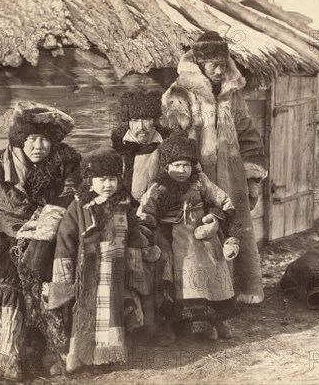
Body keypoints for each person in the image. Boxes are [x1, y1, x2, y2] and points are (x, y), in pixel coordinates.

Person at [0, 101, 82, 381]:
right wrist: (33, 226)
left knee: (52, 283)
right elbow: (5, 208)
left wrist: (50, 223)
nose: (38, 146)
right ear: (21, 141)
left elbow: (70, 196)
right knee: (6, 281)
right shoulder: (7, 167)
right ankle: (4, 353)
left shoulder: (67, 164)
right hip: (14, 239)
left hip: (56, 237)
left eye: (44, 140)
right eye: (31, 139)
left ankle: (55, 351)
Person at [161, 31, 268, 304]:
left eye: (224, 64)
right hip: (198, 178)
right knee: (202, 234)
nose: (220, 71)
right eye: (214, 65)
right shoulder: (179, 93)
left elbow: (249, 137)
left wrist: (253, 178)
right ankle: (203, 300)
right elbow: (175, 140)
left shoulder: (233, 95)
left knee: (235, 229)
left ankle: (239, 292)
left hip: (232, 179)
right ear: (199, 62)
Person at [47, 148, 150, 373]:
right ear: (89, 181)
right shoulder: (78, 207)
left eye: (112, 179)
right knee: (85, 312)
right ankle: (81, 356)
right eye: (102, 180)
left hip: (116, 269)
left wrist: (135, 269)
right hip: (88, 271)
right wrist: (64, 279)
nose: (108, 185)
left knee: (114, 311)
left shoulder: (124, 206)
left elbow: (133, 237)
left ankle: (109, 354)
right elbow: (66, 239)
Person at [137, 132, 241, 342]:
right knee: (173, 277)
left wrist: (216, 218)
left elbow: (223, 201)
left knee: (213, 270)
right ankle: (169, 326)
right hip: (172, 239)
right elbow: (145, 214)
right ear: (166, 167)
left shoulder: (201, 181)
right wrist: (147, 241)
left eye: (186, 165)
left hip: (203, 240)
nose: (182, 170)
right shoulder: (159, 189)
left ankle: (216, 321)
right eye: (176, 165)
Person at [110, 88, 171, 339]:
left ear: (155, 119)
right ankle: (131, 323)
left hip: (162, 213)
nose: (141, 126)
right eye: (135, 120)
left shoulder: (167, 145)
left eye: (146, 119)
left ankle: (163, 322)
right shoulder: (120, 147)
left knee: (163, 255)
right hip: (127, 212)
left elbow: (175, 182)